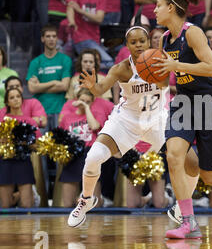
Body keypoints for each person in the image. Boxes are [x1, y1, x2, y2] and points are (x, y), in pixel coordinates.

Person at [67, 22, 181, 227]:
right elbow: (100, 90)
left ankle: (183, 206)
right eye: (133, 42)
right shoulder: (121, 69)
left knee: (184, 159)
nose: (138, 45)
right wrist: (93, 86)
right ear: (127, 46)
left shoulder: (161, 61)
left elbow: (164, 84)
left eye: (142, 41)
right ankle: (86, 200)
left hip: (156, 121)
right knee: (93, 157)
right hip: (126, 121)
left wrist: (154, 68)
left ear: (149, 42)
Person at [152, 0, 212, 239]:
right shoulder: (165, 39)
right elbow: (169, 77)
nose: (154, 10)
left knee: (209, 174)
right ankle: (189, 222)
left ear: (171, 8)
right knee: (174, 156)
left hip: (209, 103)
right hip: (184, 101)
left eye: (158, 5)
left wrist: (176, 64)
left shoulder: (194, 33)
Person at [0, 76, 47, 207]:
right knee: (5, 207)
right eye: (12, 98)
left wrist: (25, 143)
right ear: (7, 102)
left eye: (18, 96)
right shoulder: (2, 120)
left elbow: (38, 146)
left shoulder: (30, 121)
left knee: (27, 206)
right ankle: (6, 197)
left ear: (21, 98)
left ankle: (28, 196)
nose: (16, 99)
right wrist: (2, 142)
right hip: (5, 163)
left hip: (23, 163)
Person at [59, 88, 109, 207]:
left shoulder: (95, 114)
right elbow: (62, 138)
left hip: (89, 154)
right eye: (82, 100)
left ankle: (98, 199)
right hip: (72, 156)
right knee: (67, 204)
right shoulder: (67, 117)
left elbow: (95, 126)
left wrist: (86, 108)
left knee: (94, 205)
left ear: (92, 102)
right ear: (76, 100)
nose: (84, 103)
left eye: (87, 101)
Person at [27, 25, 72, 132]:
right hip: (40, 110)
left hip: (60, 109)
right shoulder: (35, 62)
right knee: (41, 145)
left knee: (60, 145)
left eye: (54, 36)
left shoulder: (65, 60)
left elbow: (64, 86)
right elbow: (32, 89)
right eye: (48, 36)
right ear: (42, 39)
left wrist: (40, 86)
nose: (51, 39)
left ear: (57, 39)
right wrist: (55, 82)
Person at [66, 0, 114, 69]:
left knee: (102, 64)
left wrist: (81, 11)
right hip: (80, 37)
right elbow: (70, 7)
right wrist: (72, 22)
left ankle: (78, 66)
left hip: (95, 39)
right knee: (109, 62)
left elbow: (99, 19)